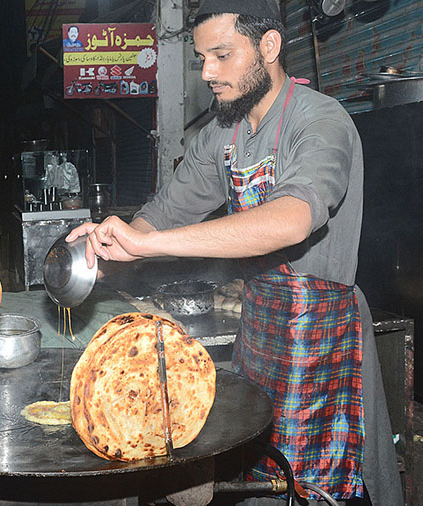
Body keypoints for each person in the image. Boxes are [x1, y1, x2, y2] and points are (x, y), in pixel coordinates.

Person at [67, 0, 402, 504]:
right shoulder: (222, 132)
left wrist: (152, 245)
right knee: (256, 469)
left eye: (222, 55)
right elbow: (168, 209)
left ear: (269, 46)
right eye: (203, 57)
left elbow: (293, 219)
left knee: (312, 480)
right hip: (260, 320)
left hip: (321, 330)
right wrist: (122, 241)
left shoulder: (320, 122)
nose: (207, 73)